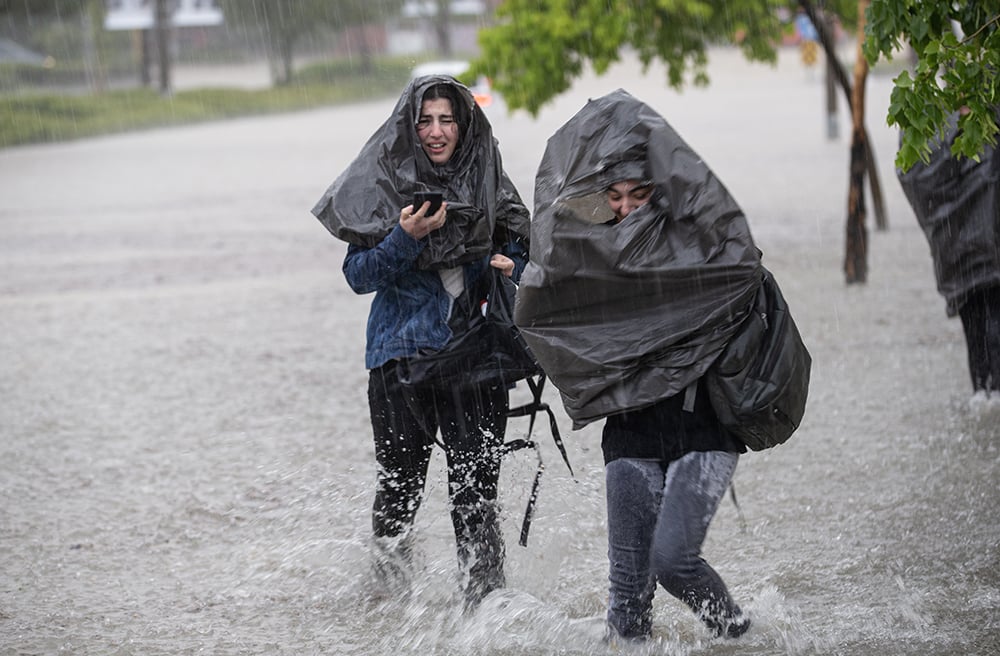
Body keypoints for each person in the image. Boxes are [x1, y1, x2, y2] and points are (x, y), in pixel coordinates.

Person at [514, 90, 761, 641]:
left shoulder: (700, 249)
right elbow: (554, 313)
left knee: (673, 562)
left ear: (661, 193)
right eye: (616, 196)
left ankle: (741, 638)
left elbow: (741, 266)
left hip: (704, 431)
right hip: (629, 433)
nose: (626, 207)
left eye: (640, 193)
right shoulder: (592, 262)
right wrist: (518, 280)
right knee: (627, 609)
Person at [311, 76, 531, 608]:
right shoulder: (379, 185)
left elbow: (530, 253)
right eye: (425, 120)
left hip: (477, 356)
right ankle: (389, 605)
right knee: (398, 494)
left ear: (464, 126)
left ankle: (486, 611)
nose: (436, 132)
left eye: (447, 120)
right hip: (399, 358)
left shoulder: (488, 181)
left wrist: (513, 263)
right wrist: (404, 238)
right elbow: (359, 275)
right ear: (409, 127)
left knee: (476, 496)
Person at [897, 106, 1000, 398]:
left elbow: (914, 179)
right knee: (989, 327)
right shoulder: (983, 121)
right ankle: (988, 404)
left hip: (958, 258)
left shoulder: (927, 131)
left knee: (977, 337)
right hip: (987, 252)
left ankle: (983, 399)